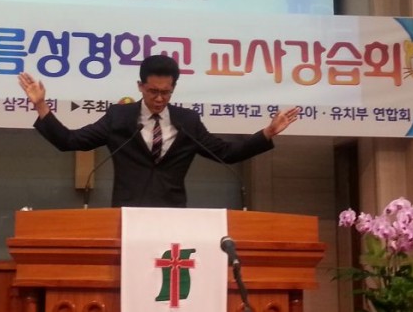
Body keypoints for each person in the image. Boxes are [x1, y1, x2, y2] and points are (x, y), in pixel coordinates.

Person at [18, 55, 299, 207]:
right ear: (140, 86)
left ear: (174, 88)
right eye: (153, 91)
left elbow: (226, 153)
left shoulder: (187, 121)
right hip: (127, 214)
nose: (160, 98)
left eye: (166, 92)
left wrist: (267, 132)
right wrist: (41, 106)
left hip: (172, 215)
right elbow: (70, 140)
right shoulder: (119, 117)